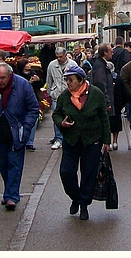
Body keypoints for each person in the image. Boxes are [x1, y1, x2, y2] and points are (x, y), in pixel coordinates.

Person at [53, 64, 111, 221]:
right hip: (71, 140)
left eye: (71, 80)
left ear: (81, 80)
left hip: (92, 140)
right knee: (66, 172)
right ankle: (76, 197)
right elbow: (56, 114)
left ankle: (84, 204)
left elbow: (104, 118)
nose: (68, 83)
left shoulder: (96, 94)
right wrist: (61, 123)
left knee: (88, 174)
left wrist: (106, 140)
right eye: (66, 80)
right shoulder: (64, 96)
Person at [0, 63, 40, 211]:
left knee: (14, 163)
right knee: (4, 165)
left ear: (10, 75)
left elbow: (33, 108)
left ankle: (11, 196)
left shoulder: (22, 85)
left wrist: (26, 128)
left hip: (17, 132)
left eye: (3, 78)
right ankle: (9, 192)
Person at [45, 47, 79, 150]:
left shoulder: (72, 64)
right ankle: (58, 139)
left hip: (70, 95)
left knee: (71, 116)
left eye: (61, 57)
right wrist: (50, 92)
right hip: (56, 95)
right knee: (57, 117)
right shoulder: (52, 65)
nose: (59, 59)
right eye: (57, 57)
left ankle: (70, 137)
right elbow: (49, 80)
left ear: (65, 55)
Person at [90, 43, 119, 149]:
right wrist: (106, 101)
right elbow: (100, 84)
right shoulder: (100, 65)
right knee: (103, 123)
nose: (112, 52)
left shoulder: (102, 64)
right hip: (102, 101)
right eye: (110, 51)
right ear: (105, 53)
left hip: (104, 98)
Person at [15, 58, 44, 151]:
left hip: (33, 99)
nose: (29, 65)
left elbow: (41, 85)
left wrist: (38, 80)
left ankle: (29, 142)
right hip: (21, 101)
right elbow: (19, 88)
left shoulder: (33, 73)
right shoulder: (18, 76)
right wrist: (29, 83)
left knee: (33, 120)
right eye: (26, 64)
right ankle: (22, 139)